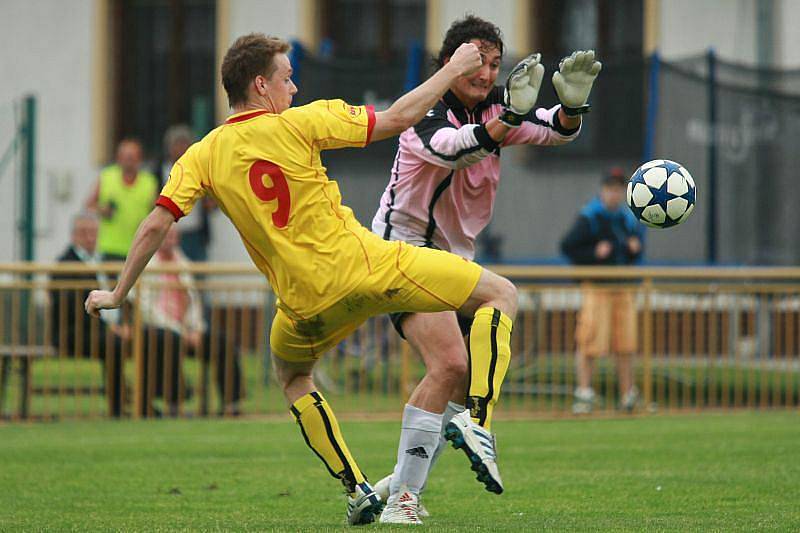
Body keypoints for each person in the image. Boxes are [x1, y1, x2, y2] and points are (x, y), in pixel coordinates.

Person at [84, 33, 518, 526]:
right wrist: (452, 70)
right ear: (261, 84)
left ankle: (357, 488)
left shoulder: (201, 156)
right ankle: (478, 420)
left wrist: (119, 292)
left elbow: (157, 222)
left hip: (302, 306)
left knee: (291, 377)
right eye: (288, 78)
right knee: (500, 294)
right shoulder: (301, 122)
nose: (296, 86)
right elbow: (398, 118)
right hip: (368, 269)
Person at [369, 16, 601, 523]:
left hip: (448, 263)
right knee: (493, 311)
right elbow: (452, 150)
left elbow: (551, 130)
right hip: (403, 252)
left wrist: (572, 108)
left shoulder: (499, 108)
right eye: (478, 62)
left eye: (495, 64)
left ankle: (391, 489)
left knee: (459, 373)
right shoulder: (423, 111)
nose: (486, 73)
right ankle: (471, 430)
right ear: (452, 63)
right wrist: (510, 118)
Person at [560, 167, 644, 414]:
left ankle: (629, 393)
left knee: (626, 342)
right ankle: (584, 392)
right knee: (591, 339)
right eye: (610, 189)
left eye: (619, 189)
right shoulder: (590, 216)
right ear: (602, 190)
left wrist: (634, 250)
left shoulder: (627, 218)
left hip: (623, 287)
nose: (614, 194)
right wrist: (593, 254)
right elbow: (568, 246)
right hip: (596, 287)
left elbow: (632, 253)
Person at [137, 227, 242, 417]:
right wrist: (180, 331)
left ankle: (231, 404)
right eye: (166, 235)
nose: (170, 240)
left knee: (222, 342)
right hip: (158, 329)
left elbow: (193, 301)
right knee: (170, 341)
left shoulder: (182, 262)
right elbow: (146, 309)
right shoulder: (145, 263)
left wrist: (196, 329)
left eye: (174, 236)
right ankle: (175, 404)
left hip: (187, 329)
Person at [50, 213, 128, 417]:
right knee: (115, 344)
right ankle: (118, 408)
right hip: (74, 333)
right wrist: (110, 329)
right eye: (84, 233)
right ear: (73, 235)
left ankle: (145, 402)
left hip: (109, 329)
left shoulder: (106, 261)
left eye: (93, 232)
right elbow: (73, 310)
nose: (90, 238)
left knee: (145, 338)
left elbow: (126, 297)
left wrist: (126, 324)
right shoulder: (64, 264)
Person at [86, 138, 159, 260]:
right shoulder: (106, 176)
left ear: (139, 159)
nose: (128, 161)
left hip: (139, 246)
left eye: (132, 157)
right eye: (125, 157)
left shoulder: (149, 182)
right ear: (118, 158)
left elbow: (157, 211)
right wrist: (102, 210)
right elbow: (89, 205)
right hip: (110, 247)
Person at [155, 125, 216, 261]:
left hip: (195, 234)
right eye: (177, 144)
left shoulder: (200, 169)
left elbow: (212, 200)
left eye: (185, 144)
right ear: (169, 148)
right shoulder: (159, 172)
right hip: (169, 233)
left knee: (197, 275)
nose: (181, 149)